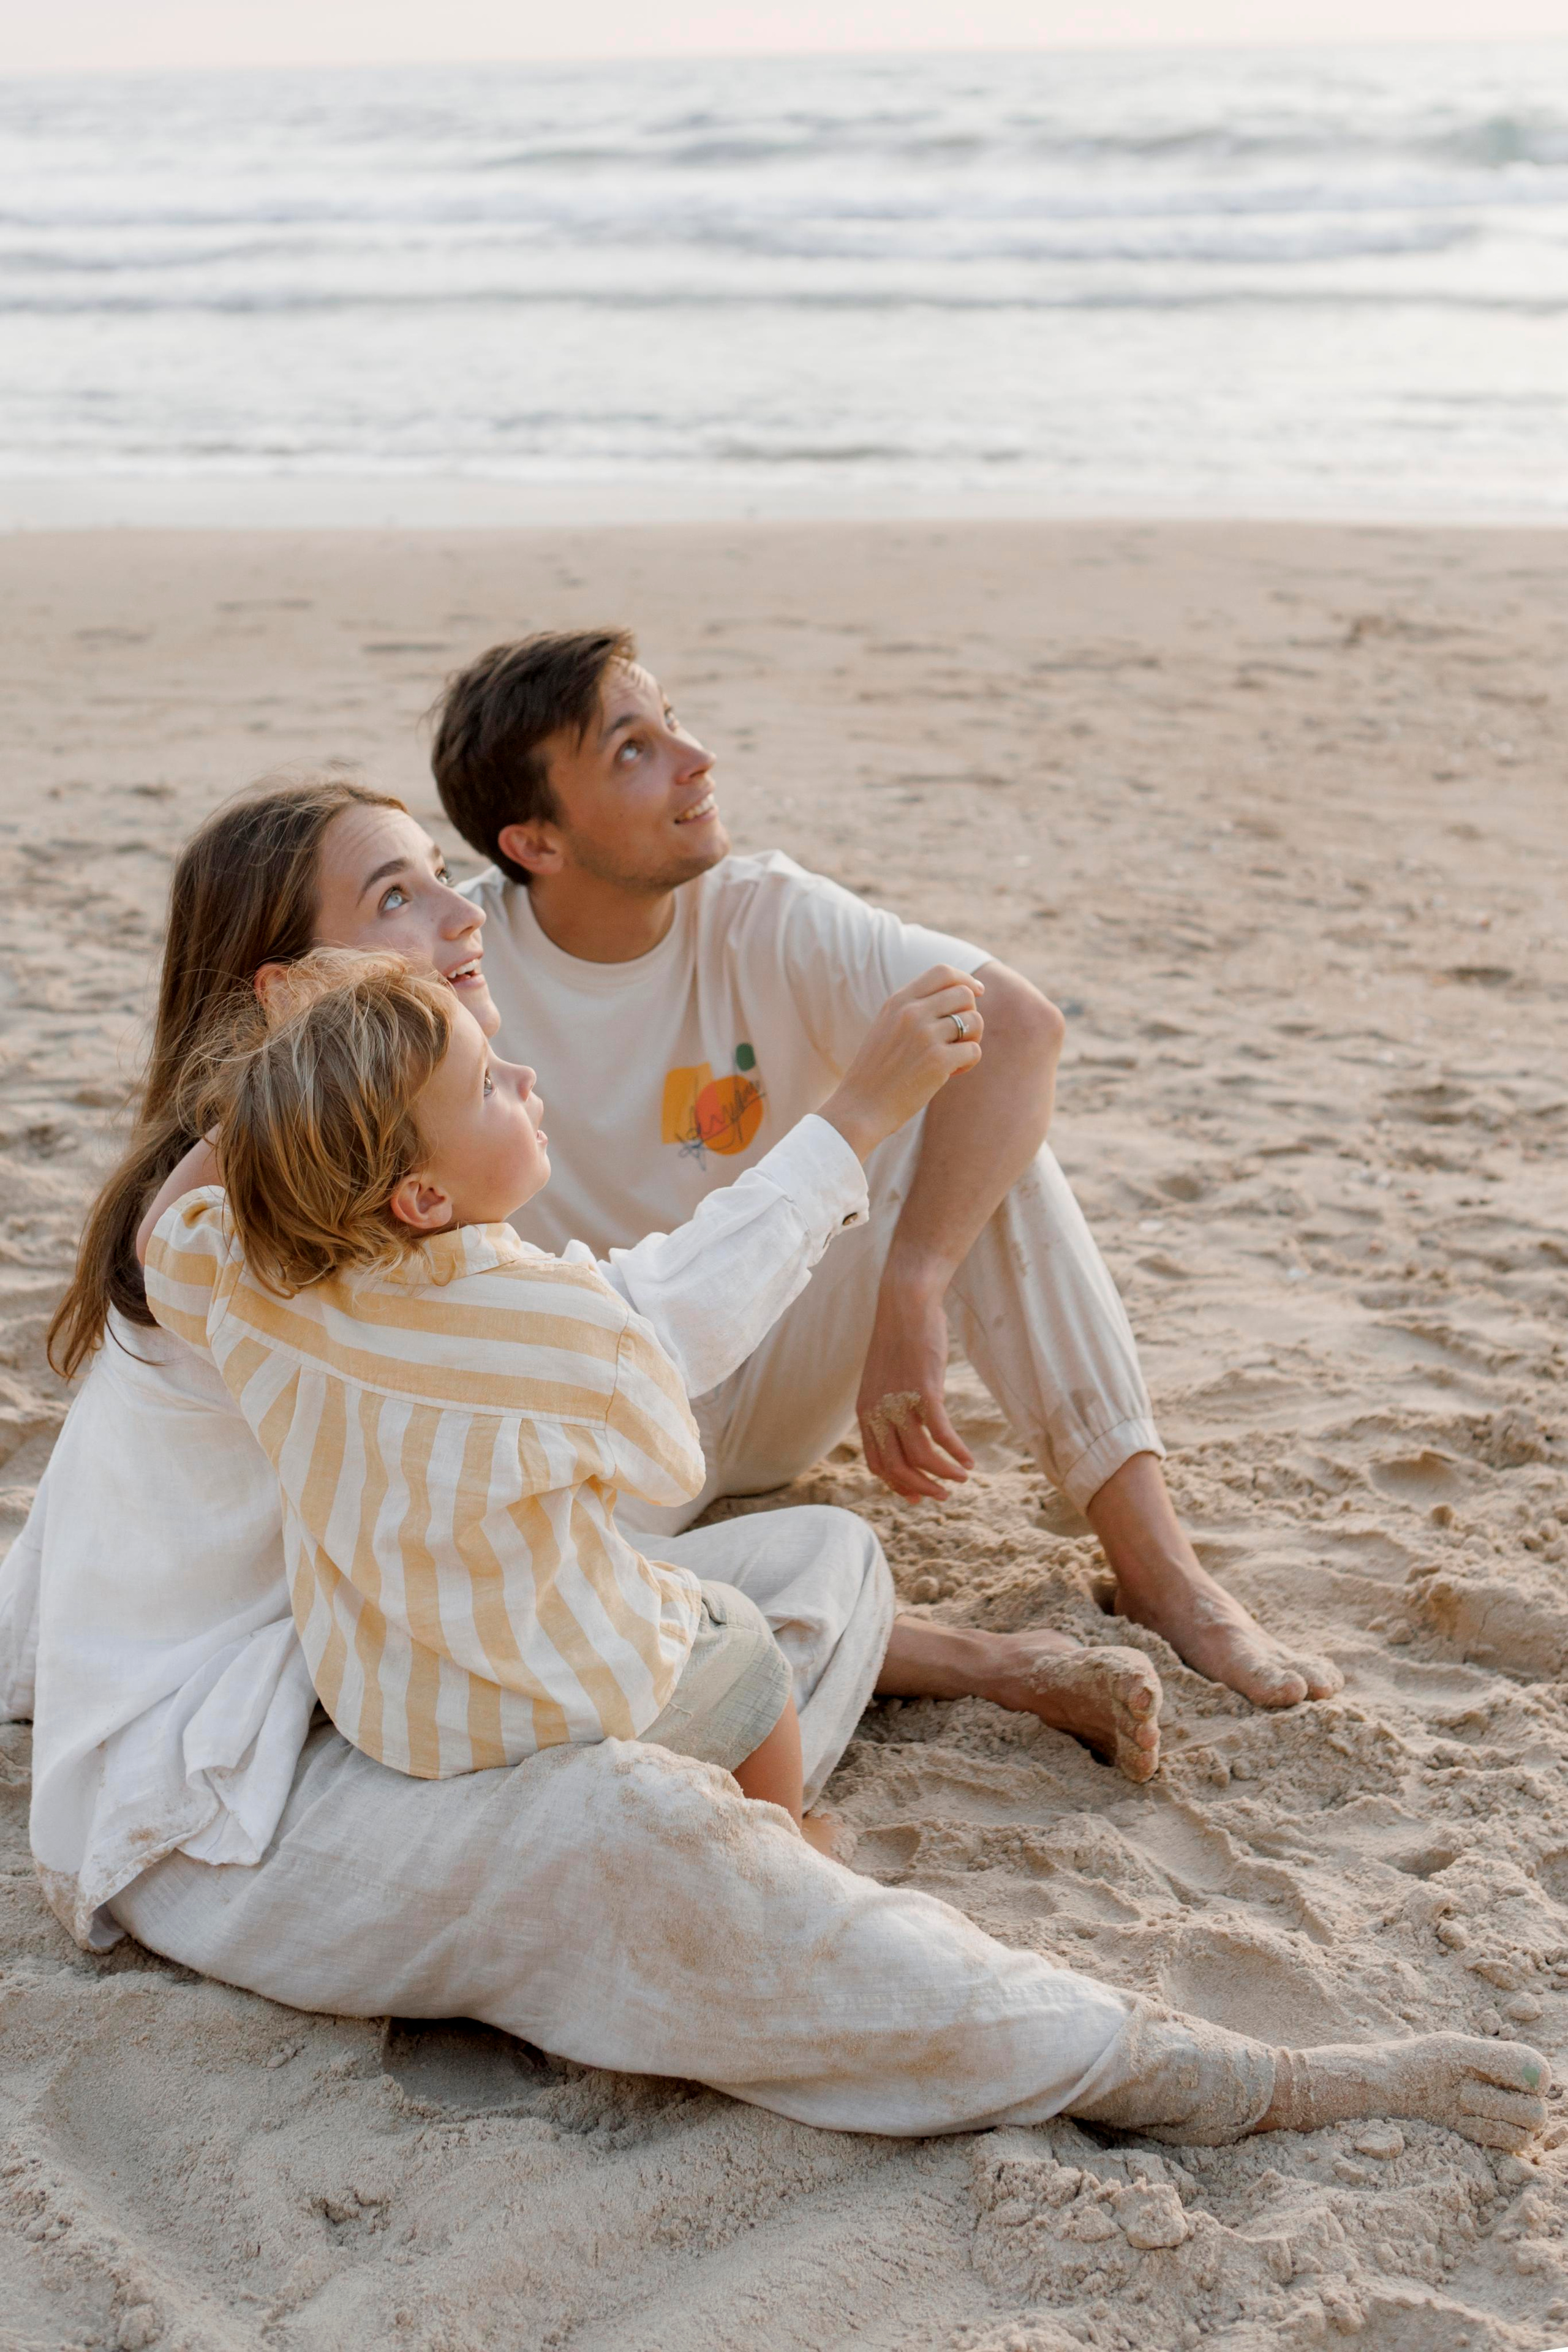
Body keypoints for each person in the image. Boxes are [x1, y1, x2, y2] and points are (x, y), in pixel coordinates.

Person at [0, 777, 1548, 2155]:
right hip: (238, 1791)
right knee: (629, 1822)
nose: (454, 905)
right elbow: (640, 1344)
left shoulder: (312, 1196)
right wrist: (854, 1114)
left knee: (820, 1559)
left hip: (417, 1659)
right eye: (391, 896)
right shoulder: (243, 1228)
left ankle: (731, 1860)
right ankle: (1181, 2067)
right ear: (290, 996)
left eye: (438, 870)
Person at [431, 629, 1342, 1722]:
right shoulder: (461, 973)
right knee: (549, 1585)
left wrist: (914, 1281)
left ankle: (1164, 1573)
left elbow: (1015, 1025)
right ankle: (971, 1661)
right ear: (535, 842)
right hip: (614, 1415)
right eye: (634, 749)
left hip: (783, 1357)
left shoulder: (761, 911)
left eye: (674, 719)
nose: (697, 758)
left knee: (966, 1120)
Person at [135, 948, 986, 1847]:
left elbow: (163, 1234)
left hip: (399, 1712)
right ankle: (785, 1841)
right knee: (743, 1653)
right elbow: (668, 1465)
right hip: (560, 1697)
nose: (524, 1074)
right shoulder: (549, 1317)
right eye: (490, 1085)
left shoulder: (254, 1291)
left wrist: (282, 1099)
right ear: (423, 1196)